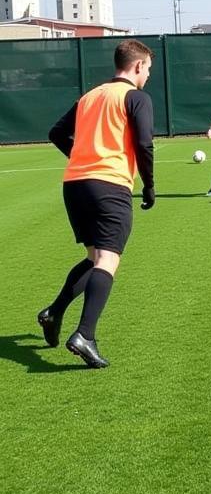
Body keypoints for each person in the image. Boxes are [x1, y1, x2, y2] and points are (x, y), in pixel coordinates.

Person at [39, 39, 157, 368]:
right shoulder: (136, 97)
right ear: (137, 66)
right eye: (148, 68)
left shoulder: (90, 96)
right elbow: (145, 143)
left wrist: (83, 160)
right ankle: (85, 335)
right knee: (107, 259)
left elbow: (56, 133)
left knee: (93, 258)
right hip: (109, 186)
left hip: (75, 184)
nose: (148, 75)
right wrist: (148, 185)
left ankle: (53, 312)